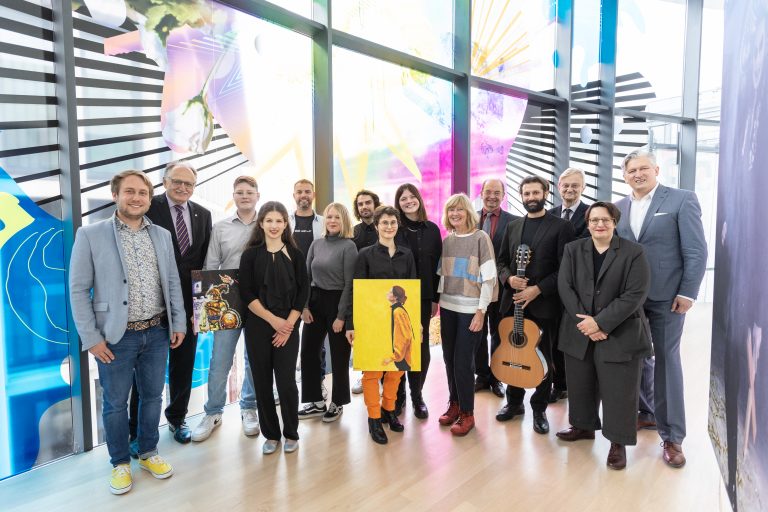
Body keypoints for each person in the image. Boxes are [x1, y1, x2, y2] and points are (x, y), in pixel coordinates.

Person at [69, 170, 186, 495]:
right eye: (129, 192)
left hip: (157, 331)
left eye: (143, 193)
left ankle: (148, 452)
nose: (136, 198)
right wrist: (91, 337)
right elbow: (78, 290)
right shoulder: (90, 234)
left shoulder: (162, 235)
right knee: (115, 403)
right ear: (115, 195)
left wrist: (179, 323)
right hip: (115, 337)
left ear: (150, 198)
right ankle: (120, 463)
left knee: (152, 397)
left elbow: (173, 282)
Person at [615, 150, 707, 468]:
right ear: (624, 175)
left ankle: (672, 437)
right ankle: (645, 414)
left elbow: (696, 250)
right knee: (631, 360)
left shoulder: (681, 200)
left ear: (656, 169)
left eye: (644, 168)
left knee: (667, 363)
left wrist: (688, 292)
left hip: (667, 298)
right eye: (631, 170)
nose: (638, 174)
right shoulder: (618, 208)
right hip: (628, 300)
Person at [555, 201, 652, 470]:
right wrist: (586, 324)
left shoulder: (634, 252)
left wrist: (600, 323)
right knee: (580, 383)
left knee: (619, 391)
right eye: (594, 220)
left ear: (614, 222)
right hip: (579, 330)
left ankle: (617, 443)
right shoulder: (573, 249)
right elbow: (565, 287)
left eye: (605, 220)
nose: (599, 224)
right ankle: (583, 426)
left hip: (620, 332)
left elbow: (635, 294)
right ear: (587, 224)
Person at [128, 160, 212, 446]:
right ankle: (136, 429)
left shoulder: (203, 214)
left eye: (188, 183)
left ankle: (177, 419)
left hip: (188, 305)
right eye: (177, 181)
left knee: (184, 363)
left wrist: (199, 308)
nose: (182, 187)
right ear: (164, 182)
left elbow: (203, 264)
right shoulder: (148, 208)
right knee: (145, 367)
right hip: (151, 301)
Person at [495, 176, 574, 434]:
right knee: (512, 351)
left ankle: (539, 408)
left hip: (543, 304)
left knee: (542, 357)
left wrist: (537, 289)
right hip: (513, 303)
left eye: (535, 193)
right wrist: (509, 278)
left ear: (545, 193)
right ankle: (514, 403)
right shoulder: (513, 226)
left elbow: (565, 269)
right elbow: (501, 261)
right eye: (526, 193)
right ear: (521, 195)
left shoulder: (561, 227)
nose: (531, 197)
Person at [191, 176, 260, 442]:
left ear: (257, 195)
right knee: (220, 360)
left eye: (249, 192)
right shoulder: (220, 228)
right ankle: (213, 412)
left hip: (258, 300)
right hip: (227, 300)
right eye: (240, 192)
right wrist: (204, 307)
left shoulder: (267, 224)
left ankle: (249, 407)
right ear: (234, 195)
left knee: (254, 359)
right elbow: (211, 266)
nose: (244, 196)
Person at [239, 202, 310, 454]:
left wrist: (287, 325)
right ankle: (271, 435)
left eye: (279, 220)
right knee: (261, 380)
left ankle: (291, 432)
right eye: (269, 220)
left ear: (285, 223)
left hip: (288, 327)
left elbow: (303, 292)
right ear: (261, 223)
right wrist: (273, 321)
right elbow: (246, 293)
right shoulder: (250, 254)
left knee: (286, 381)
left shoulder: (295, 253)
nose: (274, 225)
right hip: (258, 325)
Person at [346, 205, 417, 445]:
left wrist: (415, 322)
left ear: (398, 225)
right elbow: (356, 290)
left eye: (393, 223)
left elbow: (412, 291)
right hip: (372, 321)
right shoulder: (365, 254)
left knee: (396, 371)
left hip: (398, 322)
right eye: (384, 223)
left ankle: (389, 410)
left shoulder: (407, 255)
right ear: (376, 226)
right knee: (372, 372)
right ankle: (374, 418)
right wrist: (351, 323)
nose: (389, 227)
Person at [437, 193, 498, 436]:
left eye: (459, 210)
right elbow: (443, 276)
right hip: (448, 308)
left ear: (468, 213)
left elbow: (489, 278)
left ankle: (467, 414)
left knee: (463, 362)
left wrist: (481, 312)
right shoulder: (448, 240)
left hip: (470, 310)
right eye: (451, 210)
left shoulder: (481, 238)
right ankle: (454, 404)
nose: (455, 214)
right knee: (449, 359)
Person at [299, 203, 358, 422]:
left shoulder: (348, 246)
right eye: (329, 217)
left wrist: (341, 316)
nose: (332, 221)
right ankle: (315, 401)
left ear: (344, 221)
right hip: (314, 302)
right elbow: (305, 278)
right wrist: (304, 306)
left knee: (340, 356)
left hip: (336, 302)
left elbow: (349, 284)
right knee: (308, 352)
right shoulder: (316, 244)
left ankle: (338, 402)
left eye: (337, 218)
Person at [393, 183, 442, 419]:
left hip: (424, 298)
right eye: (403, 199)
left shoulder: (432, 229)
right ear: (398, 204)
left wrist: (436, 299)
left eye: (412, 197)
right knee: (399, 346)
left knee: (420, 348)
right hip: (398, 299)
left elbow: (438, 267)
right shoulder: (394, 229)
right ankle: (398, 394)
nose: (408, 201)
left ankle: (417, 395)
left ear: (419, 200)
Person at [547, 167, 589, 403]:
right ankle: (559, 383)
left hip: (579, 288)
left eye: (575, 185)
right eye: (566, 185)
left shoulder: (590, 214)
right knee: (553, 338)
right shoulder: (550, 214)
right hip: (553, 287)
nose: (570, 189)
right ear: (559, 187)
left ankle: (579, 385)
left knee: (576, 338)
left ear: (582, 188)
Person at [474, 178, 518, 398]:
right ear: (481, 193)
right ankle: (481, 375)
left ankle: (496, 377)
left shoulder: (514, 222)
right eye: (488, 192)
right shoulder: (469, 219)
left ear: (504, 195)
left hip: (502, 289)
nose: (492, 196)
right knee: (478, 334)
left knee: (498, 334)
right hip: (475, 289)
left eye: (497, 193)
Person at [289, 179, 329, 401]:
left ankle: (317, 384)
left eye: (307, 191)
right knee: (286, 339)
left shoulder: (324, 222)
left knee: (316, 345)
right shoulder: (284, 221)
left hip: (315, 289)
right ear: (293, 195)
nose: (303, 195)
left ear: (313, 194)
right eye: (299, 192)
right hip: (288, 290)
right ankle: (285, 385)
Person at [350, 189, 381, 394]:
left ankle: (385, 377)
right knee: (365, 338)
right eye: (360, 204)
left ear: (375, 204)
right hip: (363, 292)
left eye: (368, 203)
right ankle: (365, 376)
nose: (364, 207)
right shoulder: (354, 233)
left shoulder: (386, 227)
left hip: (384, 290)